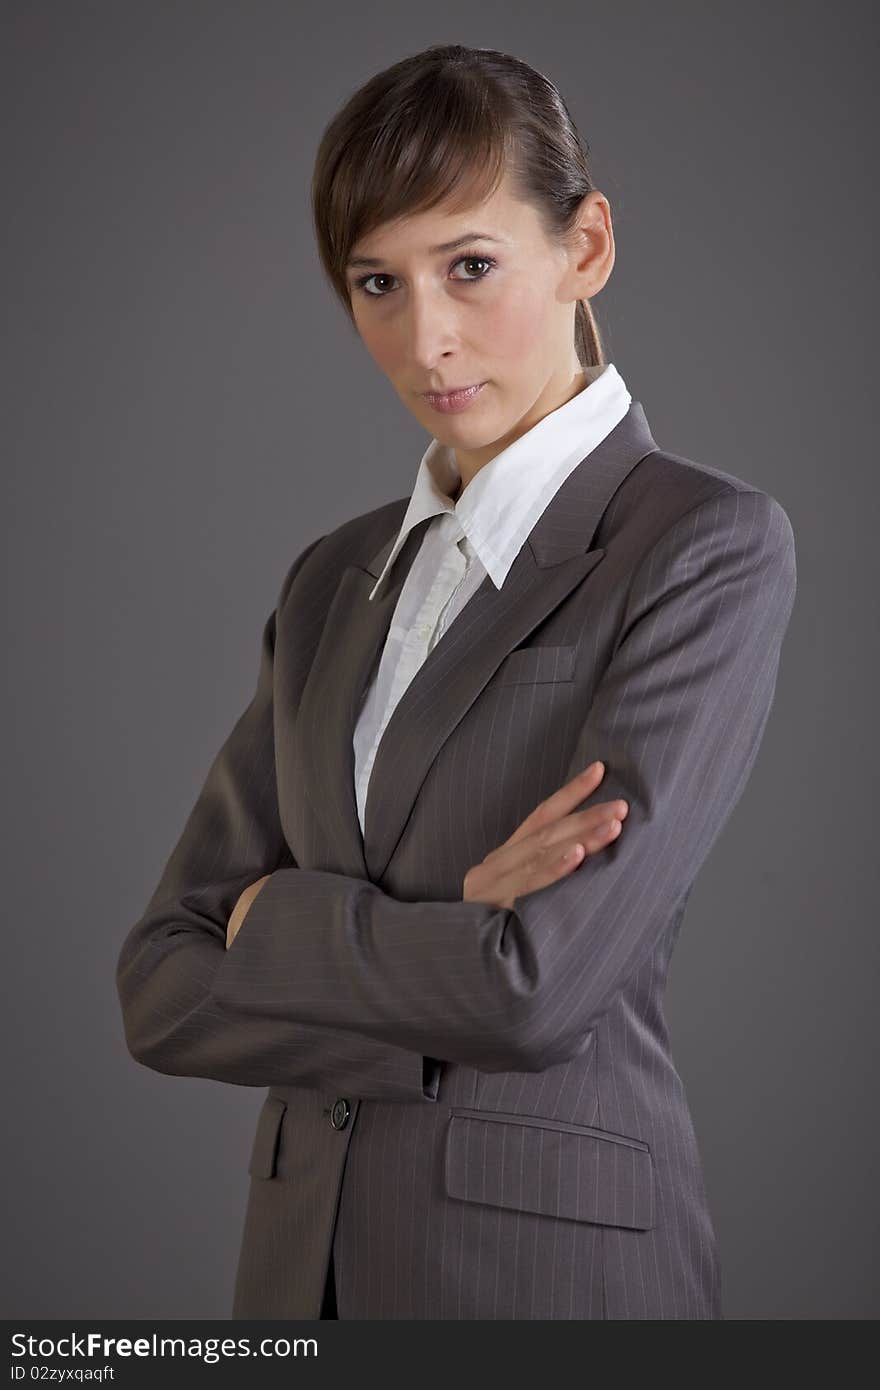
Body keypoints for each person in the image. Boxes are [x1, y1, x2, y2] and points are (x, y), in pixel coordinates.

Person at [115, 43, 797, 1320]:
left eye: (470, 266)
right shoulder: (330, 579)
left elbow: (538, 989)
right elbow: (157, 984)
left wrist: (278, 926)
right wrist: (451, 930)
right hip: (293, 1280)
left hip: (542, 1281)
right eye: (378, 282)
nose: (425, 337)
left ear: (585, 247)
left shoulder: (701, 545)